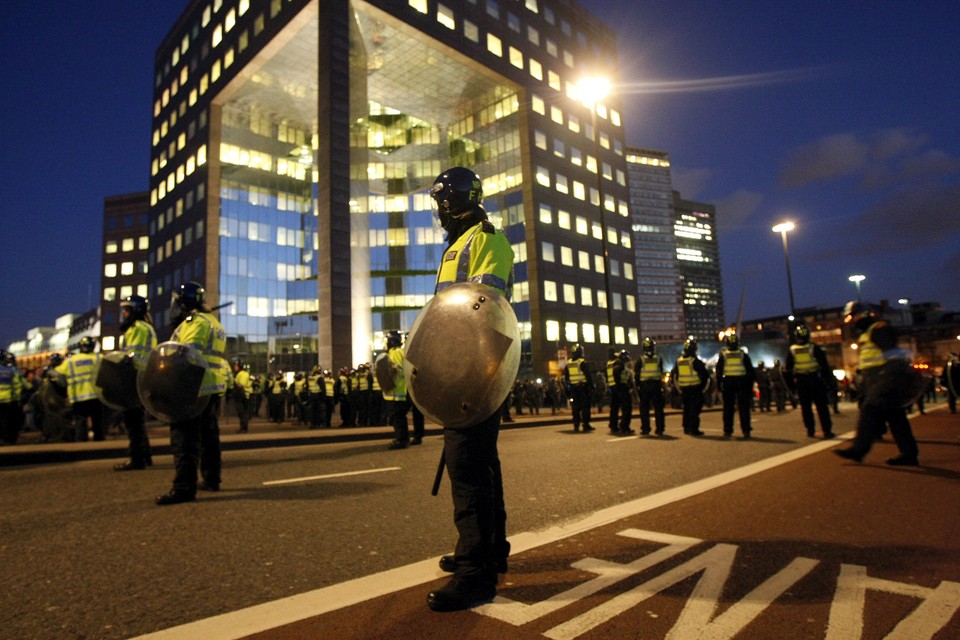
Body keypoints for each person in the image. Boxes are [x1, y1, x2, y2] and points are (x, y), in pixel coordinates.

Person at [424, 167, 513, 612]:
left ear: (450, 201)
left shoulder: (486, 239)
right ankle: (489, 552)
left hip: (475, 372)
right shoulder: (459, 244)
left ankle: (475, 574)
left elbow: (484, 310)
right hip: (461, 370)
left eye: (439, 202)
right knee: (482, 465)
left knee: (468, 469)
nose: (437, 212)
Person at [155, 282, 229, 505]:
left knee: (184, 439)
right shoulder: (213, 322)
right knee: (209, 437)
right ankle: (211, 478)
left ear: (184, 302)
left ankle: (183, 488)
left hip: (192, 387)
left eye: (176, 302)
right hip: (210, 387)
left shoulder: (195, 323)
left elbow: (186, 356)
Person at [835, 302, 920, 466]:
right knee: (896, 417)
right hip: (878, 380)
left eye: (852, 316)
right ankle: (909, 454)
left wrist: (886, 380)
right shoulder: (868, 333)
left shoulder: (878, 329)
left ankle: (858, 450)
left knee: (869, 410)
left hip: (885, 380)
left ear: (864, 314)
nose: (851, 321)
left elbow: (893, 356)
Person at [114, 295, 157, 470]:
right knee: (137, 420)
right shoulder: (142, 327)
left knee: (133, 422)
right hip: (141, 377)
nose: (124, 314)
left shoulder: (138, 328)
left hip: (135, 377)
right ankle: (145, 456)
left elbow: (132, 356)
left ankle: (137, 458)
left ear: (135, 310)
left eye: (126, 310)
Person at [785, 324, 834, 438]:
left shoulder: (793, 350)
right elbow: (824, 366)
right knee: (822, 407)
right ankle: (827, 430)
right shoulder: (814, 348)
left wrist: (792, 387)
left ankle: (810, 430)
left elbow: (788, 369)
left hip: (802, 381)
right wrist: (830, 383)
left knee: (806, 408)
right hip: (815, 379)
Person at [53, 337, 105, 441]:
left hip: (77, 396)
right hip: (96, 395)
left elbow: (56, 374)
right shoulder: (99, 358)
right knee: (97, 420)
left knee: (81, 420)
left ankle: (81, 443)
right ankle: (99, 442)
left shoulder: (71, 361)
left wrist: (62, 387)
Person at [716, 332, 755, 438]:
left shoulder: (723, 355)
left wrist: (719, 384)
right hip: (742, 382)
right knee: (744, 408)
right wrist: (750, 385)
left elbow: (719, 371)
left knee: (728, 408)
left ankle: (728, 430)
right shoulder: (743, 354)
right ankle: (746, 430)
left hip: (728, 383)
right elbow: (750, 372)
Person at [671, 338, 708, 436]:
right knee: (694, 410)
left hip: (684, 388)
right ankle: (694, 429)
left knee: (686, 409)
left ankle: (686, 427)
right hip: (695, 388)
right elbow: (705, 376)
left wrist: (678, 388)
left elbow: (675, 376)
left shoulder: (679, 361)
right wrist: (702, 388)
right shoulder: (695, 361)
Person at [635, 338, 666, 436]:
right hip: (656, 385)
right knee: (658, 409)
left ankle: (645, 429)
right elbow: (661, 372)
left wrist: (638, 387)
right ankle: (660, 429)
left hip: (644, 386)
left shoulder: (640, 360)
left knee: (644, 409)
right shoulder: (658, 358)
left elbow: (637, 375)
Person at [564, 344, 595, 432]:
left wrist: (568, 389)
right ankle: (586, 424)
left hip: (573, 389)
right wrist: (592, 387)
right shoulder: (582, 362)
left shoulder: (569, 363)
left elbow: (566, 378)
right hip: (583, 388)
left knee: (575, 408)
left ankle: (576, 424)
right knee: (585, 407)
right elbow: (588, 375)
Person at [604, 349, 634, 435]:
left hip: (613, 387)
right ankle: (624, 426)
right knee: (627, 408)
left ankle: (613, 426)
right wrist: (625, 385)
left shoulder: (613, 364)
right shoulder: (620, 364)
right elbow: (618, 375)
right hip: (621, 388)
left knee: (614, 408)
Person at [0, 350, 25, 445]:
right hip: (8, 399)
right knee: (7, 420)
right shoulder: (10, 370)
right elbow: (17, 385)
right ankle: (7, 439)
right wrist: (17, 398)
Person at [232, 359, 253, 433]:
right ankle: (243, 427)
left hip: (243, 395)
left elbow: (241, 385)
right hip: (240, 395)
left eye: (236, 365)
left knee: (243, 412)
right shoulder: (239, 374)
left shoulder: (243, 373)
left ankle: (244, 428)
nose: (234, 367)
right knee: (241, 412)